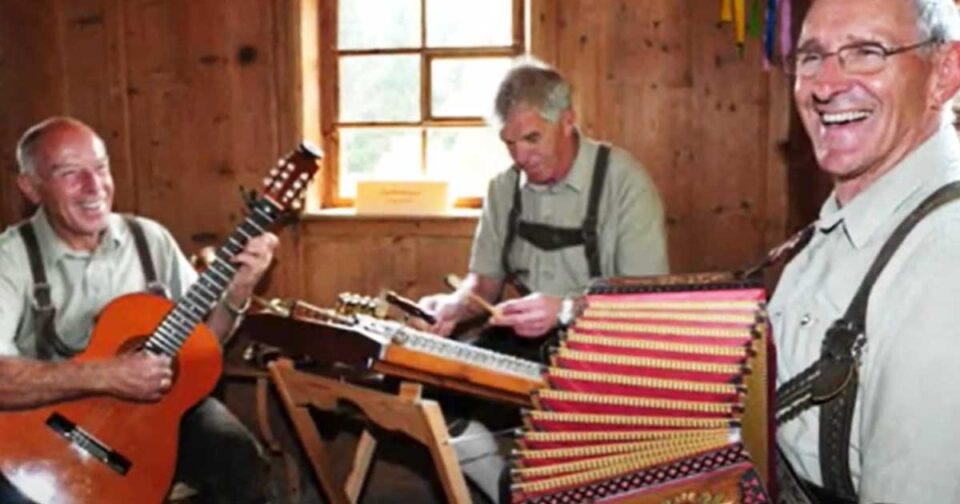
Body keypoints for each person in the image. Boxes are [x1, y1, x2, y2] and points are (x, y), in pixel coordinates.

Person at [417, 62, 669, 503]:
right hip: (524, 339)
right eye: (509, 143)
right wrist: (456, 304)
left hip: (604, 345)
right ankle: (503, 490)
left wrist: (566, 308)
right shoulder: (503, 189)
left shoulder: (624, 183)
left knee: (561, 451)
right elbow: (485, 280)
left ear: (567, 120)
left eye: (532, 138)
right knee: (430, 397)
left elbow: (644, 303)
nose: (520, 156)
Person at [0, 117, 278, 504]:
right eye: (69, 173)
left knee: (242, 464)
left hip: (158, 412)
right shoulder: (10, 258)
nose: (94, 187)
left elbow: (200, 348)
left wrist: (238, 292)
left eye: (100, 168)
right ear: (30, 187)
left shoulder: (150, 239)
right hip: (50, 425)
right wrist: (104, 375)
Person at [772, 0, 960, 502]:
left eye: (866, 52)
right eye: (812, 56)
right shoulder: (847, 220)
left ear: (944, 73)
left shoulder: (946, 268)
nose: (826, 85)